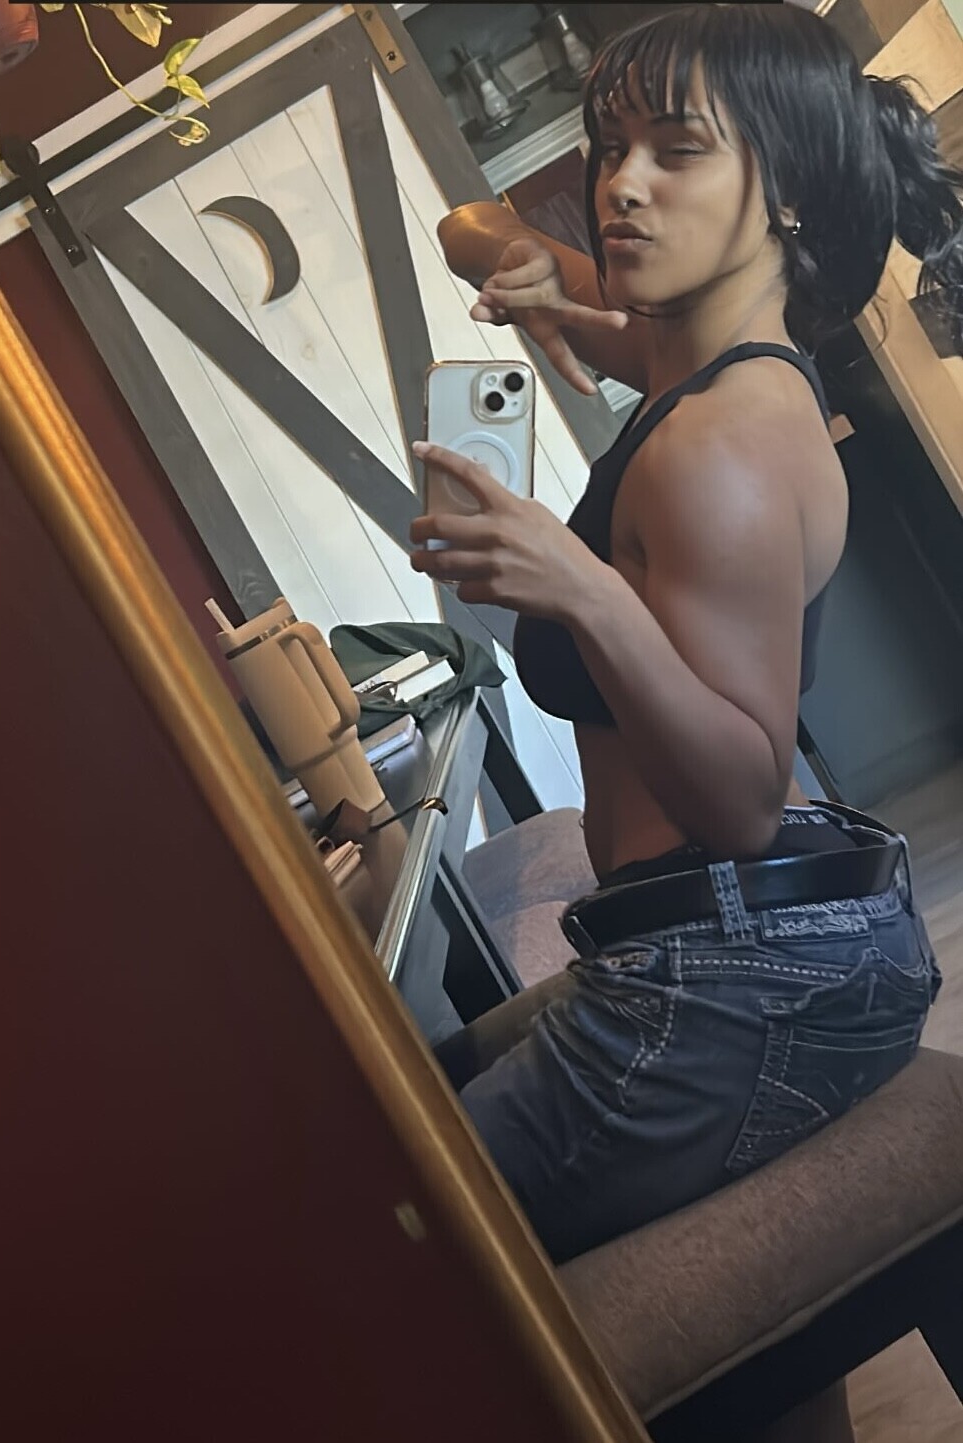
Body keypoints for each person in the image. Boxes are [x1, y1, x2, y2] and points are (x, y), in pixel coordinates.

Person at [408, 6, 962, 1439]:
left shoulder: (717, 442)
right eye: (609, 149)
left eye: (675, 151)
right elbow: (470, 230)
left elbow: (740, 798)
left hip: (730, 982)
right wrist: (528, 263)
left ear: (784, 191)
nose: (621, 184)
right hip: (761, 946)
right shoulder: (702, 361)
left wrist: (583, 590)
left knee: (369, 1239)